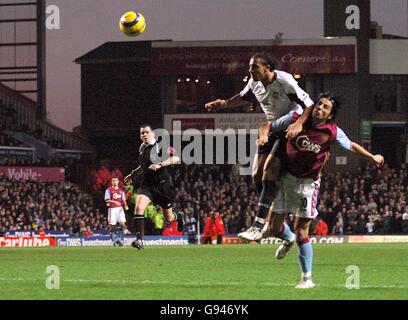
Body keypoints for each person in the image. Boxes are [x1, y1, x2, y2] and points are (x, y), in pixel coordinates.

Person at [265, 92, 384, 289]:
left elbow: (351, 146)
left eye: (324, 107)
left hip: (307, 185)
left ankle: (307, 279)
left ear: (329, 115)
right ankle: (287, 239)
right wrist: (263, 135)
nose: (319, 108)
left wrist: (372, 157)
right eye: (319, 104)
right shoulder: (295, 119)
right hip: (286, 180)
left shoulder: (332, 131)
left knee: (301, 231)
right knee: (273, 229)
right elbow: (270, 126)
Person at [205, 52, 314, 241]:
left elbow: (309, 105)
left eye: (254, 66)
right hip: (272, 127)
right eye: (250, 66)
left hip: (289, 128)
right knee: (256, 175)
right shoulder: (254, 83)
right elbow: (244, 96)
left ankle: (258, 225)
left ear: (268, 68)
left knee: (269, 173)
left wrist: (298, 124)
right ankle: (279, 225)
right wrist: (224, 104)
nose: (250, 70)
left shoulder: (285, 81)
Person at [124, 124, 184, 250]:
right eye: (142, 133)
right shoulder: (142, 147)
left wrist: (160, 165)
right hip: (147, 186)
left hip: (162, 186)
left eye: (147, 132)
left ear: (153, 133)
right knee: (138, 208)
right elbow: (144, 165)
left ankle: (179, 216)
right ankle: (139, 240)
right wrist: (133, 174)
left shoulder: (161, 146)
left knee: (169, 218)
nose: (144, 135)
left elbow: (176, 158)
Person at [104, 176, 129, 246]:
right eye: (113, 180)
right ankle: (114, 240)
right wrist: (115, 202)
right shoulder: (109, 190)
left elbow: (124, 200)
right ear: (112, 182)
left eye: (116, 180)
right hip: (112, 209)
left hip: (120, 209)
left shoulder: (121, 190)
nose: (114, 181)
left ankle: (120, 240)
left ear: (118, 182)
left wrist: (126, 205)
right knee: (112, 226)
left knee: (122, 224)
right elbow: (106, 200)